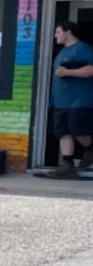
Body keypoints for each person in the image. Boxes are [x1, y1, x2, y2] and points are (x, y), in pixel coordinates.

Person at [50, 20, 93, 177]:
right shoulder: (62, 52)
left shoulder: (83, 49)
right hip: (60, 101)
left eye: (58, 32)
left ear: (68, 31)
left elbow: (91, 69)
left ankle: (90, 149)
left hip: (80, 100)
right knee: (63, 132)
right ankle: (67, 164)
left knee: (78, 131)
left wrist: (69, 73)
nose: (55, 36)